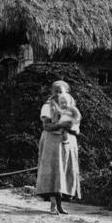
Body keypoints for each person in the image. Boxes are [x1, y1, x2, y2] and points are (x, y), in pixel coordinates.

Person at [36, 80, 82, 215]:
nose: (58, 94)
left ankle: (61, 205)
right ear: (52, 92)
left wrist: (72, 128)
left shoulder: (71, 106)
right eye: (55, 91)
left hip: (68, 143)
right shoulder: (48, 106)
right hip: (52, 141)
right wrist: (61, 126)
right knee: (52, 171)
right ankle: (52, 205)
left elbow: (76, 124)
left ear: (66, 92)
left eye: (60, 91)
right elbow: (46, 125)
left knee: (65, 171)